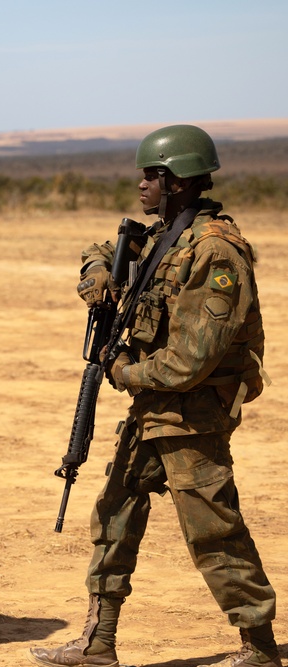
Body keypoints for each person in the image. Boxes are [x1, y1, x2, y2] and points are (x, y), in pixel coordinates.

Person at [29, 124, 279, 667]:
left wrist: (124, 370)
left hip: (191, 414)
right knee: (115, 512)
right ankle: (98, 643)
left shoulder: (214, 252)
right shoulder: (170, 233)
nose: (142, 184)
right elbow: (103, 247)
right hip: (155, 410)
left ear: (181, 181)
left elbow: (193, 359)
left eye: (153, 175)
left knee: (213, 530)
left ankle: (258, 648)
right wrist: (98, 272)